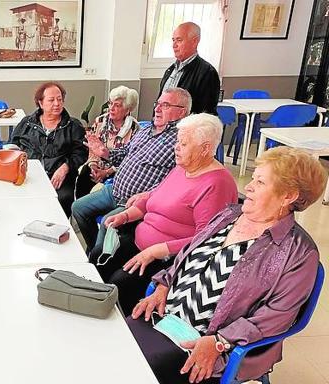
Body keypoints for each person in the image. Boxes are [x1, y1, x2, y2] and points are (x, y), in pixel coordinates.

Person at [128, 146, 327, 384]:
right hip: (165, 316)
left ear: (288, 196)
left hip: (207, 343)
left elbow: (277, 316)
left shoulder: (299, 253)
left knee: (133, 369)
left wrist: (219, 342)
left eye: (261, 182)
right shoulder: (230, 215)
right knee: (114, 340)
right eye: (252, 178)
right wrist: (163, 285)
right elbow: (189, 254)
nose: (249, 186)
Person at [92, 113, 238, 314]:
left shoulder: (217, 184)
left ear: (205, 148)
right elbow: (153, 198)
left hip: (168, 260)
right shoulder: (182, 167)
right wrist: (125, 216)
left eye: (184, 144)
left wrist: (156, 250)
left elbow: (206, 241)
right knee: (97, 260)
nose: (176, 147)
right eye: (178, 141)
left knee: (118, 284)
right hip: (140, 242)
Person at [72, 87, 191, 254]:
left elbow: (176, 181)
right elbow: (125, 153)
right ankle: (95, 249)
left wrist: (149, 196)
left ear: (181, 112)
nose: (157, 109)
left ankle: (97, 259)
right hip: (114, 190)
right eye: (158, 104)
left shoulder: (181, 140)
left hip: (135, 202)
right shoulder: (147, 130)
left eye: (165, 105)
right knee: (78, 207)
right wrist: (104, 152)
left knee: (107, 222)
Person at [9, 81, 88, 216]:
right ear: (40, 103)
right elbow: (12, 146)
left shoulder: (73, 125)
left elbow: (81, 153)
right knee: (16, 199)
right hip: (29, 175)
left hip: (60, 176)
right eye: (51, 100)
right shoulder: (27, 123)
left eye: (60, 99)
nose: (57, 104)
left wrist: (65, 168)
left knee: (62, 199)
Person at [75, 85, 139, 199]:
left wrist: (107, 172)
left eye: (117, 105)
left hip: (118, 171)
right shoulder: (100, 121)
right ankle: (77, 211)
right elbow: (92, 148)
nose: (111, 108)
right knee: (84, 174)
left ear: (127, 109)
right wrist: (93, 165)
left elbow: (131, 159)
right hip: (96, 167)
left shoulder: (135, 129)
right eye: (110, 103)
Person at [157, 22, 220, 115]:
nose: (174, 45)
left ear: (194, 41)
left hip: (186, 128)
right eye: (173, 40)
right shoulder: (171, 70)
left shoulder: (207, 73)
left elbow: (205, 113)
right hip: (163, 128)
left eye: (179, 40)